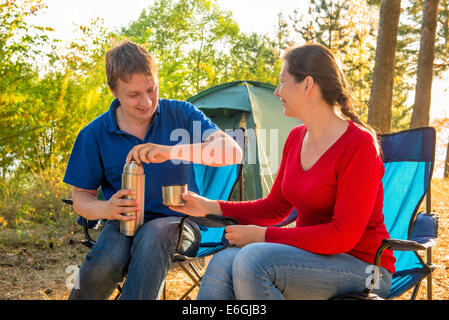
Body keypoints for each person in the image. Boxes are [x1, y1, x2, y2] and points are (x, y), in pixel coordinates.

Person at [170, 43, 396, 300]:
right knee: (224, 260)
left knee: (253, 260)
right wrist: (211, 206)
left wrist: (264, 236)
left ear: (307, 85)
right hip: (313, 260)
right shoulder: (296, 138)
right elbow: (274, 208)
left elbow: (342, 236)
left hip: (370, 271)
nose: (277, 92)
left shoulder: (359, 145)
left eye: (282, 82)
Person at [63, 40, 242, 300]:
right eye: (133, 95)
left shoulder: (180, 113)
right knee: (106, 259)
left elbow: (232, 152)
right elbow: (81, 197)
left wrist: (171, 151)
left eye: (151, 90)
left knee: (155, 233)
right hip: (123, 221)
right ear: (113, 91)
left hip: (181, 224)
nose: (146, 102)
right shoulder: (94, 134)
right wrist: (105, 209)